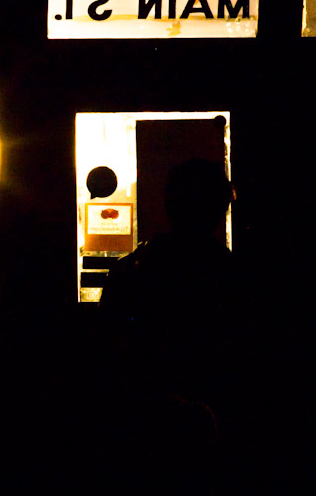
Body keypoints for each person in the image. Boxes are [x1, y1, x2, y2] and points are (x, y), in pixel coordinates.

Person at [99, 159, 240, 492]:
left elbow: (110, 357)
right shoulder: (236, 277)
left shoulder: (132, 272)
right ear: (222, 209)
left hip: (143, 434)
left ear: (167, 205)